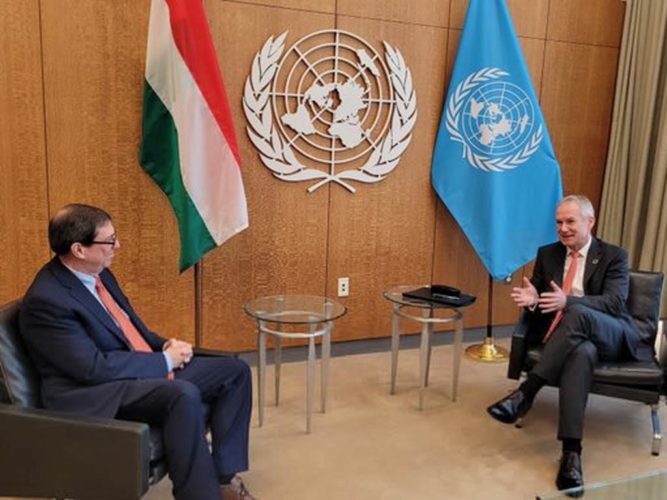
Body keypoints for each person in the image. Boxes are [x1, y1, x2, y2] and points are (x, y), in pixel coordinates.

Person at [19, 204, 254, 500]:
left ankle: (223, 479)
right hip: (94, 391)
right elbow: (91, 368)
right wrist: (163, 361)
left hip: (131, 368)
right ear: (79, 250)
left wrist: (163, 345)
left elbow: (129, 327)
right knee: (182, 394)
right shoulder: (47, 301)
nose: (118, 245)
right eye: (110, 240)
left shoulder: (100, 273)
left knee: (235, 372)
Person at [486, 194, 646, 491]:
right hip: (572, 339)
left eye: (570, 221)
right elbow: (539, 298)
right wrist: (533, 300)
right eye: (558, 222)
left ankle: (526, 393)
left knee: (579, 313)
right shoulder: (548, 254)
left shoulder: (614, 255)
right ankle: (572, 453)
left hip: (611, 332)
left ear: (590, 221)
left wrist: (568, 302)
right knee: (581, 352)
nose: (563, 228)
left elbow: (614, 303)